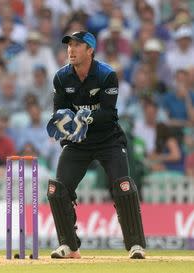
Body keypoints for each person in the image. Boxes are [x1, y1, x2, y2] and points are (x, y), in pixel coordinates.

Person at [45, 31, 146, 259]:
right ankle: (69, 246)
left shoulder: (106, 74)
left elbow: (109, 112)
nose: (71, 49)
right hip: (78, 142)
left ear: (90, 50)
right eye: (69, 45)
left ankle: (135, 246)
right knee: (57, 189)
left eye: (77, 45)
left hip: (108, 139)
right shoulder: (61, 77)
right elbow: (58, 112)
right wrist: (64, 125)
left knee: (123, 187)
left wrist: (85, 118)